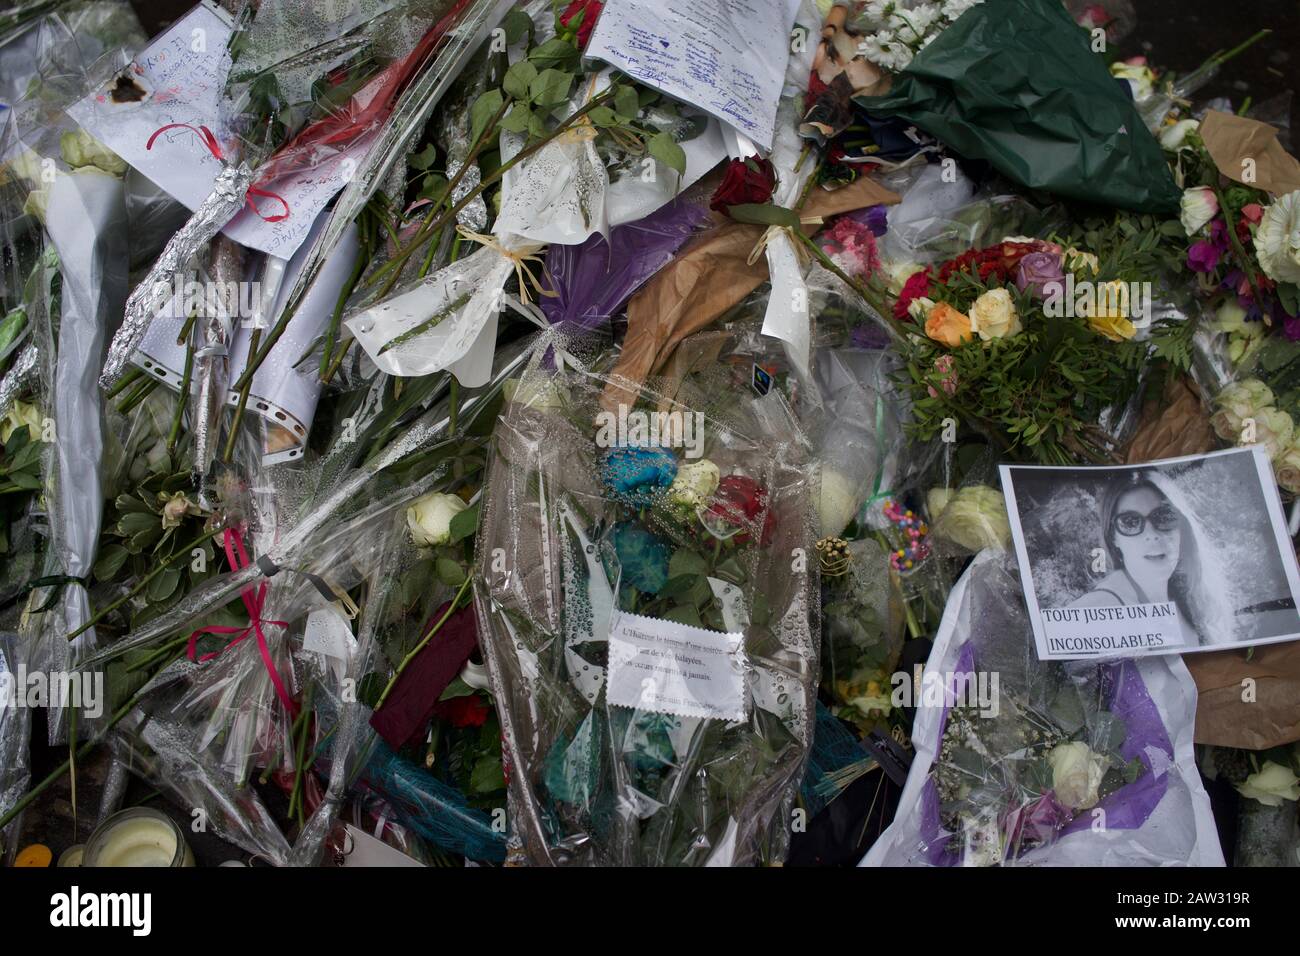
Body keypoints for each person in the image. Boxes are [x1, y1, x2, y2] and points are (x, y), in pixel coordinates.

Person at [1069, 470, 1233, 645]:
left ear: (1182, 527)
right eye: (1130, 522)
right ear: (1113, 537)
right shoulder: (1100, 606)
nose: (1152, 533)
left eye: (1164, 516)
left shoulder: (1194, 597)